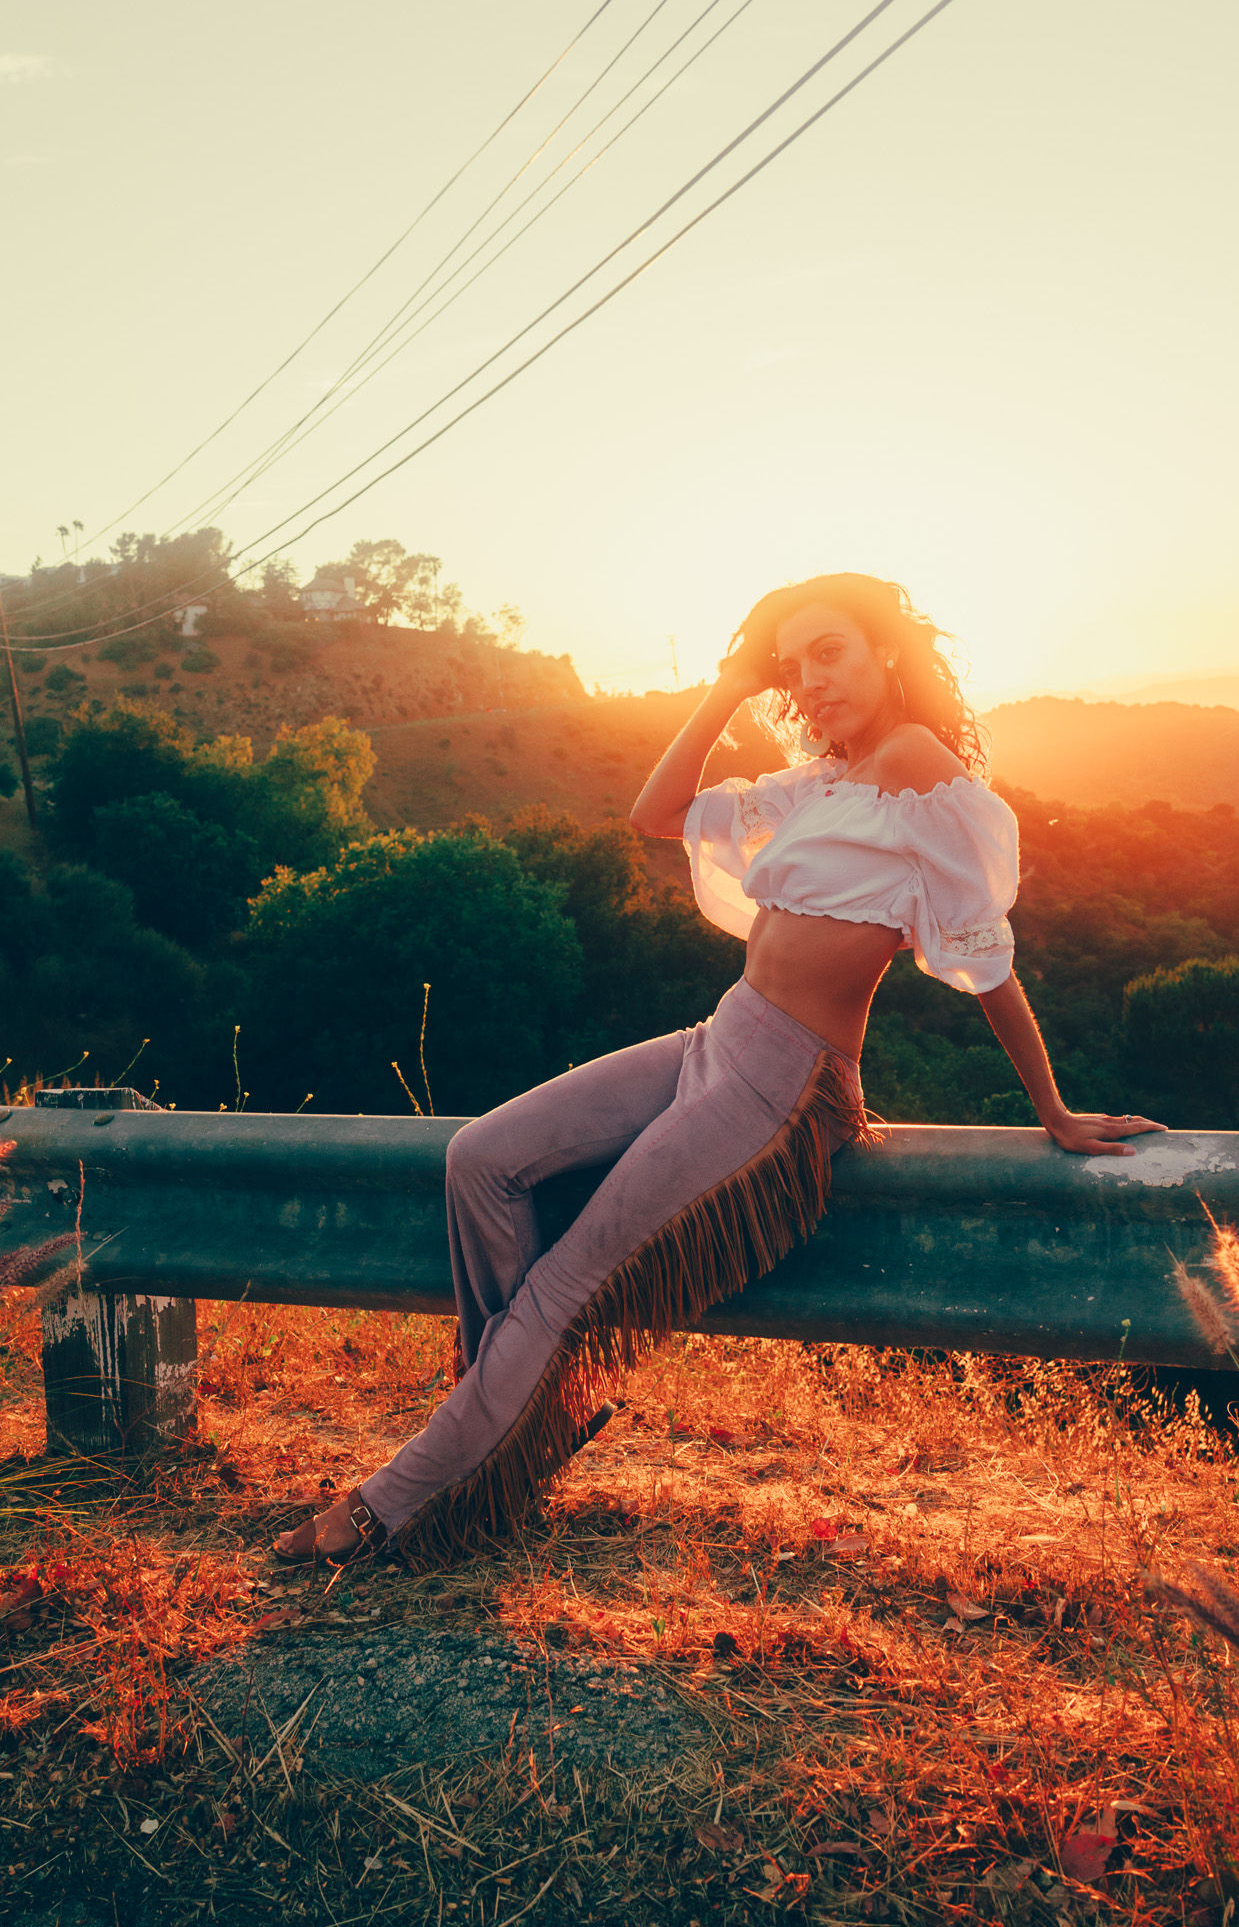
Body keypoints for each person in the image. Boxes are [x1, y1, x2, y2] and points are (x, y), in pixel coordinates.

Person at [275, 572, 1163, 1567]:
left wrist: (1053, 1107)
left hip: (785, 1085)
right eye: (794, 665)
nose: (811, 680)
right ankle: (517, 1430)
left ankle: (386, 1508)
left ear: (888, 655)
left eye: (830, 652)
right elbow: (655, 812)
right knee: (480, 1159)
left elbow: (985, 952)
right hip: (716, 1038)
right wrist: (731, 686)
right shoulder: (822, 779)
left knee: (567, 1287)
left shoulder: (919, 767)